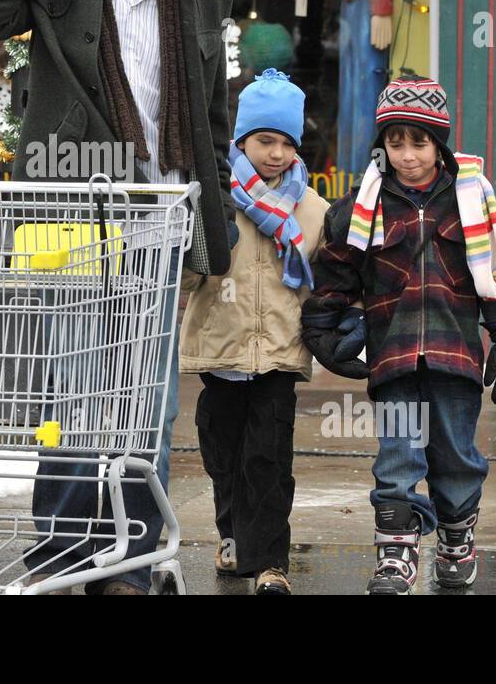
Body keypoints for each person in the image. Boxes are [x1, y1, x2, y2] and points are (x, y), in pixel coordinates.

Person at [0, 0, 236, 594]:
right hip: (68, 206)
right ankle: (64, 547)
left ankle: (131, 557)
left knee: (144, 401)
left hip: (158, 211)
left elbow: (212, 112)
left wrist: (214, 218)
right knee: (77, 388)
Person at [301, 76, 496, 594]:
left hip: (455, 359)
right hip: (394, 358)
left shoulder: (468, 198)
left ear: (438, 143)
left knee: (455, 458)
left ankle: (455, 537)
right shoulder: (364, 204)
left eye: (418, 142)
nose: (406, 156)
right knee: (398, 458)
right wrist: (322, 326)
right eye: (394, 143)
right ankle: (395, 560)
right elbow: (338, 270)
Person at [179, 69, 330, 596]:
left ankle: (270, 564)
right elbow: (187, 277)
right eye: (266, 140)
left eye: (288, 143)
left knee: (269, 460)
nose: (278, 153)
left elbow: (326, 283)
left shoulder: (311, 209)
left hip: (279, 356)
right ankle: (231, 535)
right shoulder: (213, 202)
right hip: (220, 353)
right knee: (223, 456)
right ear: (241, 140)